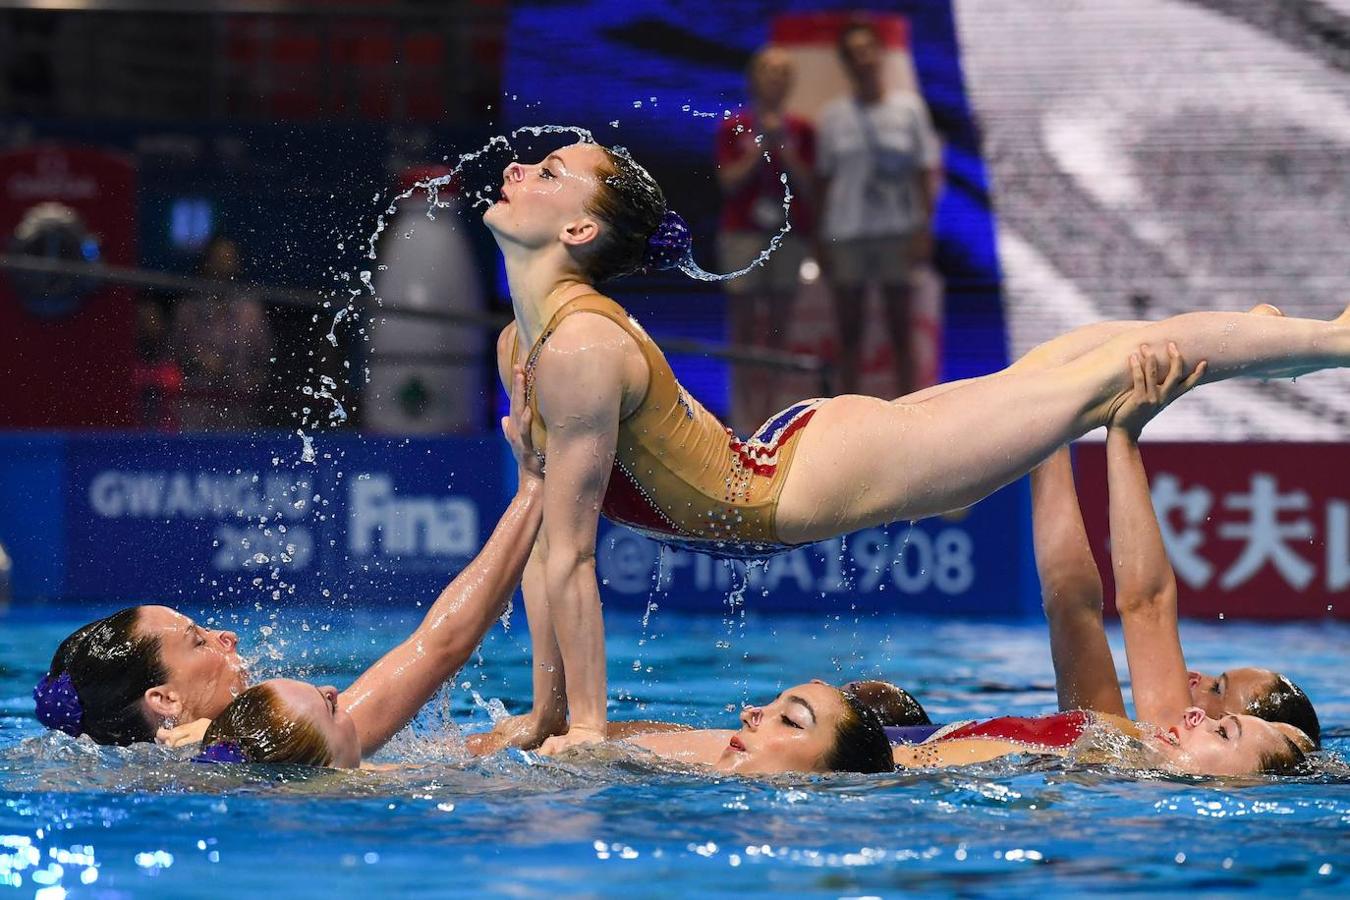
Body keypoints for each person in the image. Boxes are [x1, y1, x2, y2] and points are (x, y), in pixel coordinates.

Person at [479, 136, 1350, 753]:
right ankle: (1254, 336)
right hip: (793, 459)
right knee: (1054, 373)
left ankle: (1324, 343)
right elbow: (548, 549)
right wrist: (545, 713)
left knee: (1096, 377)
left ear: (580, 233)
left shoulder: (582, 351)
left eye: (550, 170)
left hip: (807, 479)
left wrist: (586, 728)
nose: (519, 166)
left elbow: (570, 558)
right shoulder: (525, 345)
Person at [33, 369, 546, 749]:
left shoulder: (226, 751)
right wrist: (536, 483)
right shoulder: (265, 742)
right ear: (164, 700)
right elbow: (441, 645)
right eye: (198, 640)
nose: (225, 636)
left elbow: (440, 659)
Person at [883, 347, 1311, 775]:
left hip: (872, 769)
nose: (1197, 702)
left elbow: (1130, 605)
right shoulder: (1124, 740)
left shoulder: (1128, 767)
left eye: (1222, 724)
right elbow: (1111, 605)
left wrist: (1064, 424)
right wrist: (1053, 423)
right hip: (890, 755)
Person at [817, 18, 942, 397]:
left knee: (901, 329)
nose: (862, 59)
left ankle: (909, 407)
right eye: (853, 54)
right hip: (847, 233)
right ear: (846, 63)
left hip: (897, 232)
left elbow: (925, 172)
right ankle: (845, 413)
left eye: (867, 50)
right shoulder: (833, 116)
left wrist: (923, 228)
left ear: (879, 54)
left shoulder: (909, 109)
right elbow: (824, 181)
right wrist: (820, 238)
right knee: (850, 331)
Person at [715, 45, 816, 432]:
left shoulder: (803, 131)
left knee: (779, 325)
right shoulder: (734, 127)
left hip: (788, 236)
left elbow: (810, 187)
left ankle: (773, 413)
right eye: (768, 71)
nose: (774, 79)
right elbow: (728, 181)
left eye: (782, 72)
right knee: (743, 325)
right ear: (754, 78)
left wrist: (785, 150)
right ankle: (743, 413)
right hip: (742, 234)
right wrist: (761, 146)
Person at [170, 236, 274, 431]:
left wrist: (252, 386)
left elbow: (266, 361)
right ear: (206, 262)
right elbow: (173, 357)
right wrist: (197, 361)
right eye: (218, 258)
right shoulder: (188, 309)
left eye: (229, 259)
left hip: (239, 410)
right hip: (196, 407)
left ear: (238, 264)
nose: (223, 265)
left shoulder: (251, 311)